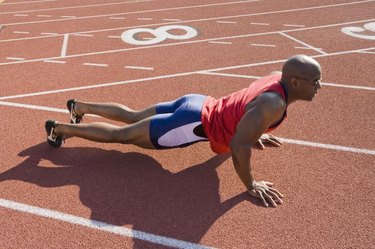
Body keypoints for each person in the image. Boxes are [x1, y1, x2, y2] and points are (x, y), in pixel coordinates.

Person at [45, 54, 322, 207]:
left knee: (133, 115)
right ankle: (60, 129)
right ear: (295, 82)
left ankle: (79, 106)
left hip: (197, 102)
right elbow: (239, 145)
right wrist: (250, 185)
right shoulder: (273, 104)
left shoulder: (277, 77)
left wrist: (255, 129)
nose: (318, 86)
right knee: (121, 135)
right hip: (191, 123)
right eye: (315, 81)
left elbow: (246, 106)